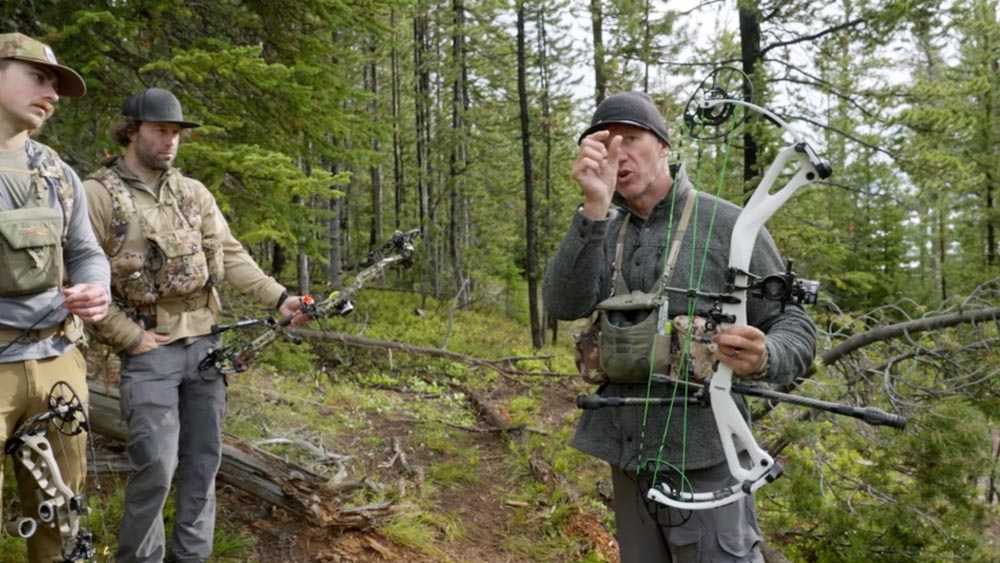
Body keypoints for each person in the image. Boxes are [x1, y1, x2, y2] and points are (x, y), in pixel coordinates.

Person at [543, 91, 817, 562]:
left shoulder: (733, 224)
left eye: (632, 139)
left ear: (664, 147)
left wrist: (766, 354)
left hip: (709, 456)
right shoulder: (600, 227)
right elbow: (563, 302)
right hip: (627, 456)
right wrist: (592, 208)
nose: (620, 154)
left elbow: (795, 324)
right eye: (606, 145)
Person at [82, 88, 309, 563]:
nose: (170, 142)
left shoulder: (192, 193)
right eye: (161, 131)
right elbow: (80, 274)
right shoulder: (98, 196)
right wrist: (129, 337)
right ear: (132, 131)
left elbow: (230, 254)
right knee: (156, 470)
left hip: (207, 350)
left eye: (176, 133)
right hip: (150, 353)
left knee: (203, 465)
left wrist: (281, 298)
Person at [0, 32, 111, 562]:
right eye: (37, 77)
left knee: (61, 515)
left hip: (57, 361)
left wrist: (97, 289)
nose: (51, 93)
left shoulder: (58, 174)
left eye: (56, 85)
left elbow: (86, 251)